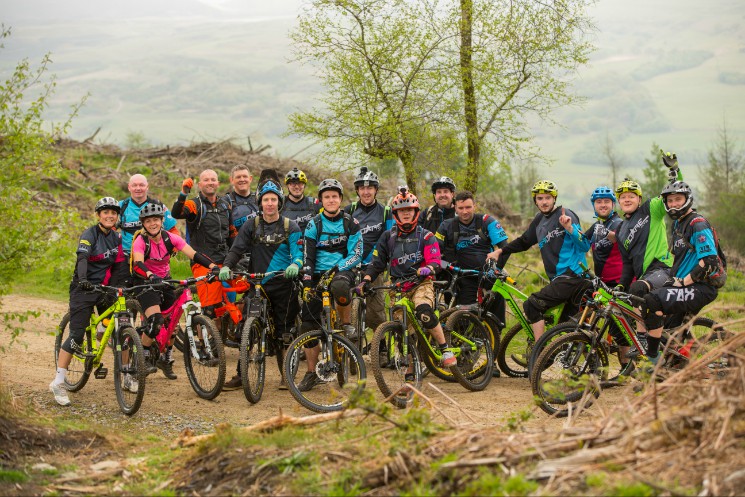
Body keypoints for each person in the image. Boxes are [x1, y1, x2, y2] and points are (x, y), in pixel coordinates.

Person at [354, 187, 457, 376]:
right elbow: (377, 263)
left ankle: (445, 349)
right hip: (398, 288)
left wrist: (429, 268)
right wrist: (366, 280)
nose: (406, 213)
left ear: (416, 212)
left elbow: (435, 261)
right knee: (404, 331)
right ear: (396, 214)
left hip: (421, 284)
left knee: (424, 312)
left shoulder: (426, 236)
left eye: (409, 210)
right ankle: (411, 370)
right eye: (402, 211)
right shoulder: (387, 237)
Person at [219, 180, 304, 390]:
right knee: (247, 329)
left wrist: (295, 264)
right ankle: (242, 375)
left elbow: (299, 253)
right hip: (257, 284)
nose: (270, 203)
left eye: (273, 199)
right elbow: (236, 249)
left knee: (284, 332)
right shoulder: (252, 225)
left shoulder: (290, 226)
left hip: (283, 285)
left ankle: (286, 375)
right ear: (260, 202)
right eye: (266, 200)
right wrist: (226, 266)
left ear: (279, 202)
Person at [49, 198, 128, 406]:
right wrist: (83, 280)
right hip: (83, 288)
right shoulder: (89, 235)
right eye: (106, 212)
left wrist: (120, 286)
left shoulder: (117, 238)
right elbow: (82, 259)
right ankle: (58, 382)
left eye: (113, 213)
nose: (110, 216)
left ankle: (127, 373)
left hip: (103, 289)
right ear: (98, 215)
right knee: (76, 335)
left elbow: (119, 265)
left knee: (118, 326)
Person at [494, 180, 592, 342]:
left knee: (532, 305)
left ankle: (540, 348)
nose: (544, 202)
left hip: (573, 277)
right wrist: (501, 251)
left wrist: (569, 228)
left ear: (554, 199)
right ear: (535, 201)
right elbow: (524, 241)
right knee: (566, 333)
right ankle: (577, 355)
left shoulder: (565, 215)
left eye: (548, 198)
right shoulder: (539, 220)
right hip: (561, 280)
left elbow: (585, 245)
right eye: (540, 198)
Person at [131, 202, 219, 380]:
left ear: (162, 221)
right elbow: (137, 263)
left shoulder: (170, 238)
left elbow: (194, 254)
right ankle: (144, 356)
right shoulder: (141, 241)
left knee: (172, 324)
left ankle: (166, 358)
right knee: (156, 320)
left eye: (156, 220)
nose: (153, 224)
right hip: (145, 282)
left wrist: (213, 267)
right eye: (148, 221)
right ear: (143, 224)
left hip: (165, 280)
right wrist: (150, 275)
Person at [640, 180, 723, 365]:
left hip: (701, 286)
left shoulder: (697, 224)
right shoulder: (677, 224)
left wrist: (682, 282)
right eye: (670, 201)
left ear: (688, 199)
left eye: (678, 199)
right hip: (684, 284)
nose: (673, 204)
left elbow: (709, 262)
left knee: (652, 301)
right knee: (667, 334)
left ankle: (652, 358)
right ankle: (673, 367)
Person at [298, 178, 363, 392]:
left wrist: (337, 268)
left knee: (340, 287)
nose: (331, 200)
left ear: (341, 199)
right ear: (321, 200)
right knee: (307, 325)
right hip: (318, 274)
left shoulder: (351, 223)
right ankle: (311, 372)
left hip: (342, 270)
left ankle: (346, 325)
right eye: (327, 197)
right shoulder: (313, 224)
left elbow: (356, 254)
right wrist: (308, 283)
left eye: (335, 196)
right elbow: (308, 256)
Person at [436, 190, 508, 332]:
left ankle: (496, 331)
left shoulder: (487, 221)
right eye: (461, 208)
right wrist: (445, 265)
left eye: (468, 207)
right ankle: (466, 337)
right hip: (463, 275)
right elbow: (433, 253)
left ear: (474, 206)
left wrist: (497, 269)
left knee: (498, 293)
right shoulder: (446, 225)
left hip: (487, 272)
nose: (465, 212)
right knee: (463, 317)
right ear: (455, 208)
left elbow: (505, 248)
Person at [615, 151, 683, 298]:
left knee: (638, 289)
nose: (627, 200)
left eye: (631, 196)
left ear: (639, 200)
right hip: (644, 277)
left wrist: (675, 169)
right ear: (619, 202)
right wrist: (621, 285)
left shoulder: (650, 209)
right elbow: (628, 265)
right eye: (623, 197)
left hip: (663, 269)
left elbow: (674, 192)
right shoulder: (620, 230)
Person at [170, 169, 231, 317]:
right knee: (210, 309)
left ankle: (228, 331)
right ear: (199, 184)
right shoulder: (194, 204)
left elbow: (232, 232)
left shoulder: (225, 204)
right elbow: (176, 213)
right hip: (203, 261)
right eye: (206, 180)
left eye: (213, 179)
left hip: (225, 259)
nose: (210, 182)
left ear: (218, 183)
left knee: (233, 302)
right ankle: (204, 331)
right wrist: (183, 193)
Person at [343, 167, 394, 338]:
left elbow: (390, 239)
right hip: (352, 265)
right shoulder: (349, 211)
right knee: (344, 304)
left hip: (374, 266)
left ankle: (381, 345)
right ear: (357, 190)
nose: (366, 192)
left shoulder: (385, 212)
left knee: (376, 311)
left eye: (370, 188)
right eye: (362, 188)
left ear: (376, 190)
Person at [587, 186, 632, 380]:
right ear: (594, 205)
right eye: (599, 202)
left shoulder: (618, 223)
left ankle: (626, 368)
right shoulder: (597, 225)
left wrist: (611, 235)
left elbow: (622, 239)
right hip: (603, 283)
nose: (602, 205)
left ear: (613, 204)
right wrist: (568, 229)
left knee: (619, 327)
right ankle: (599, 364)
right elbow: (582, 240)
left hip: (618, 282)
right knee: (593, 319)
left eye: (606, 201)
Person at [118, 174, 179, 256]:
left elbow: (172, 230)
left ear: (147, 187)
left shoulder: (158, 206)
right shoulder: (121, 206)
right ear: (129, 187)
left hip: (153, 255)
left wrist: (173, 248)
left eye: (142, 185)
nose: (138, 188)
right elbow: (109, 229)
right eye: (134, 185)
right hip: (127, 255)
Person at [282, 167, 321, 232]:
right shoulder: (280, 203)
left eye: (300, 183)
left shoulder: (315, 203)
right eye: (293, 183)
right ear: (287, 186)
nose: (297, 187)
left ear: (304, 185)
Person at [225, 165, 259, 240]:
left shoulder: (260, 199)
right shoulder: (226, 202)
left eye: (245, 176)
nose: (242, 179)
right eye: (238, 177)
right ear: (231, 180)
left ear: (250, 178)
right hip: (236, 246)